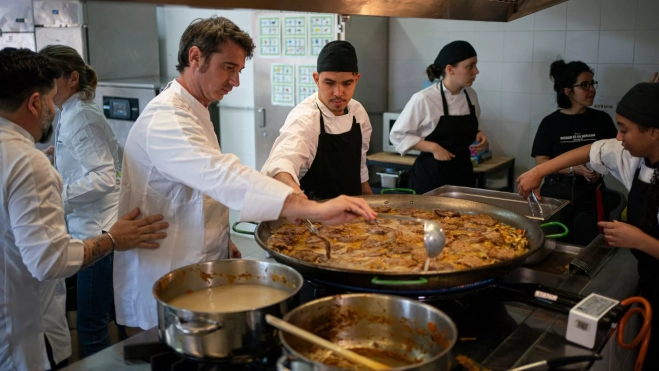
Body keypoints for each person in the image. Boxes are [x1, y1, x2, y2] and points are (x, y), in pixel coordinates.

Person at [113, 17, 377, 335]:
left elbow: (197, 193)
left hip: (197, 268)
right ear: (195, 57)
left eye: (239, 71)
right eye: (228, 68)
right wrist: (312, 209)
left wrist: (222, 242)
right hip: (164, 280)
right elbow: (222, 176)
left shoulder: (196, 110)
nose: (236, 82)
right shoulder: (167, 119)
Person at [0, 47, 168, 371]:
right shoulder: (28, 161)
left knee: (99, 319)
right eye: (48, 102)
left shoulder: (69, 121)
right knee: (94, 326)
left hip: (86, 228)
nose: (52, 108)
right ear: (34, 103)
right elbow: (50, 260)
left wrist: (52, 175)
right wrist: (112, 238)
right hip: (28, 341)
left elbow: (108, 168)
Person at [517, 82, 659, 371]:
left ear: (654, 132)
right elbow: (594, 149)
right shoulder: (637, 159)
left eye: (624, 129)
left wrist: (639, 239)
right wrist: (538, 171)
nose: (618, 138)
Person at [39, 45, 123, 358]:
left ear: (72, 79)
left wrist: (56, 199)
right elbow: (95, 159)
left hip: (96, 229)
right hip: (88, 226)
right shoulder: (71, 111)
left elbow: (103, 177)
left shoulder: (80, 117)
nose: (45, 87)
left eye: (51, 80)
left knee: (91, 324)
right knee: (106, 315)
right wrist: (56, 155)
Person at [261, 41, 373, 200]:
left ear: (357, 79)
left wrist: (371, 200)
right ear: (316, 79)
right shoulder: (305, 119)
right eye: (330, 83)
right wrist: (299, 200)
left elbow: (360, 166)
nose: (338, 93)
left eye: (346, 83)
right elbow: (280, 164)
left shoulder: (358, 112)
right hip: (313, 219)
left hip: (354, 216)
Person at [530, 60, 618, 245]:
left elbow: (615, 153)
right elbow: (542, 162)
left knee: (590, 247)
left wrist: (598, 171)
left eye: (592, 83)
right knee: (553, 244)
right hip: (555, 194)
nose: (591, 89)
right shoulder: (550, 122)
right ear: (568, 91)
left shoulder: (601, 119)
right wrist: (572, 168)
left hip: (590, 195)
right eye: (584, 85)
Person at [389, 40, 487, 195]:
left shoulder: (471, 95)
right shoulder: (424, 99)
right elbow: (398, 136)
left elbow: (467, 125)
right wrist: (433, 148)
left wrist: (477, 133)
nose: (476, 71)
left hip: (463, 175)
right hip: (431, 177)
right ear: (450, 69)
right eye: (470, 66)